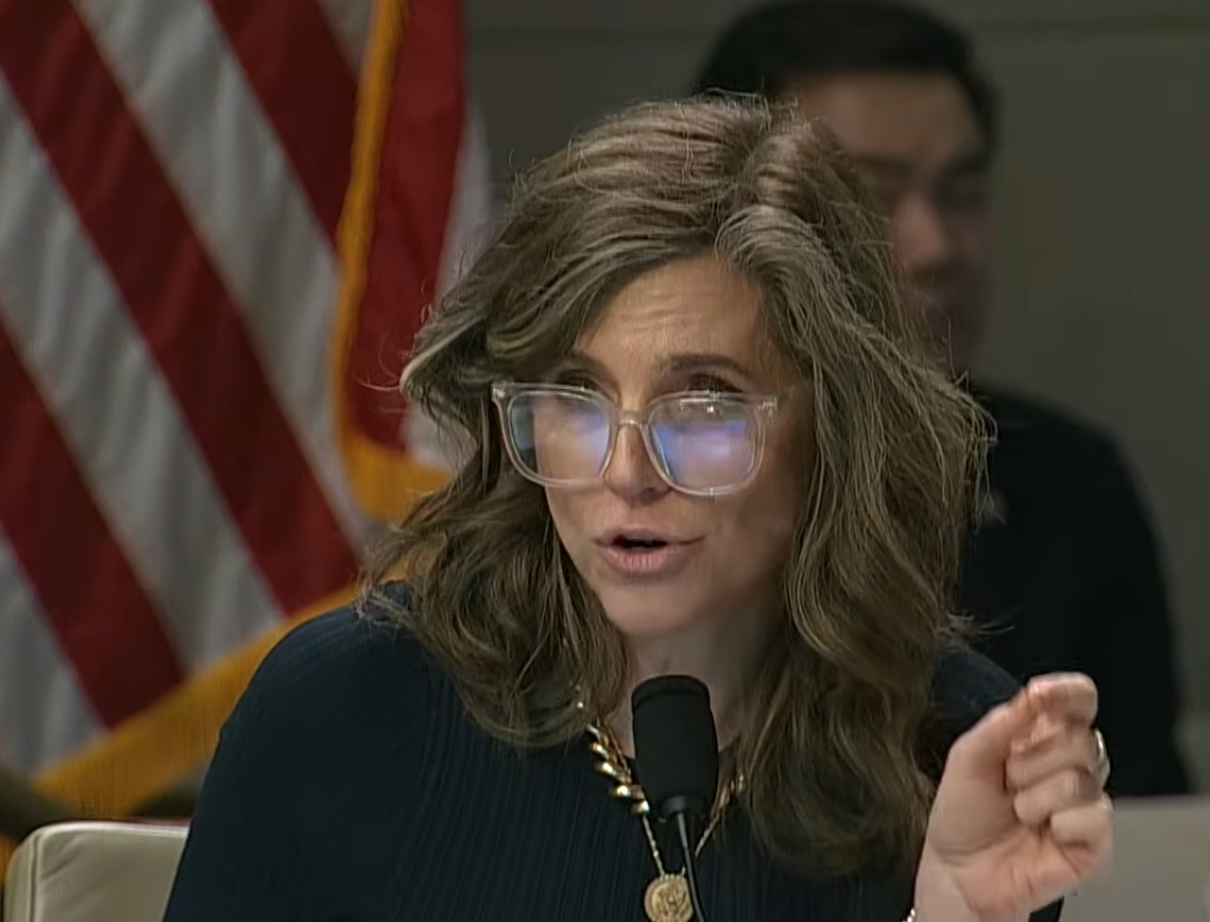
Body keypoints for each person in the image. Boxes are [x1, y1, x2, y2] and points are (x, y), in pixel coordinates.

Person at [161, 97, 1112, 922]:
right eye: (573, 401)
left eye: (700, 405)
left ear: (835, 427)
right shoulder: (342, 712)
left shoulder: (954, 750)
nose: (625, 473)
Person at [693, 0, 1192, 798]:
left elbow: (1139, 836)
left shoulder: (1069, 488)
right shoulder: (642, 479)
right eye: (870, 197)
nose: (937, 247)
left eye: (960, 190)